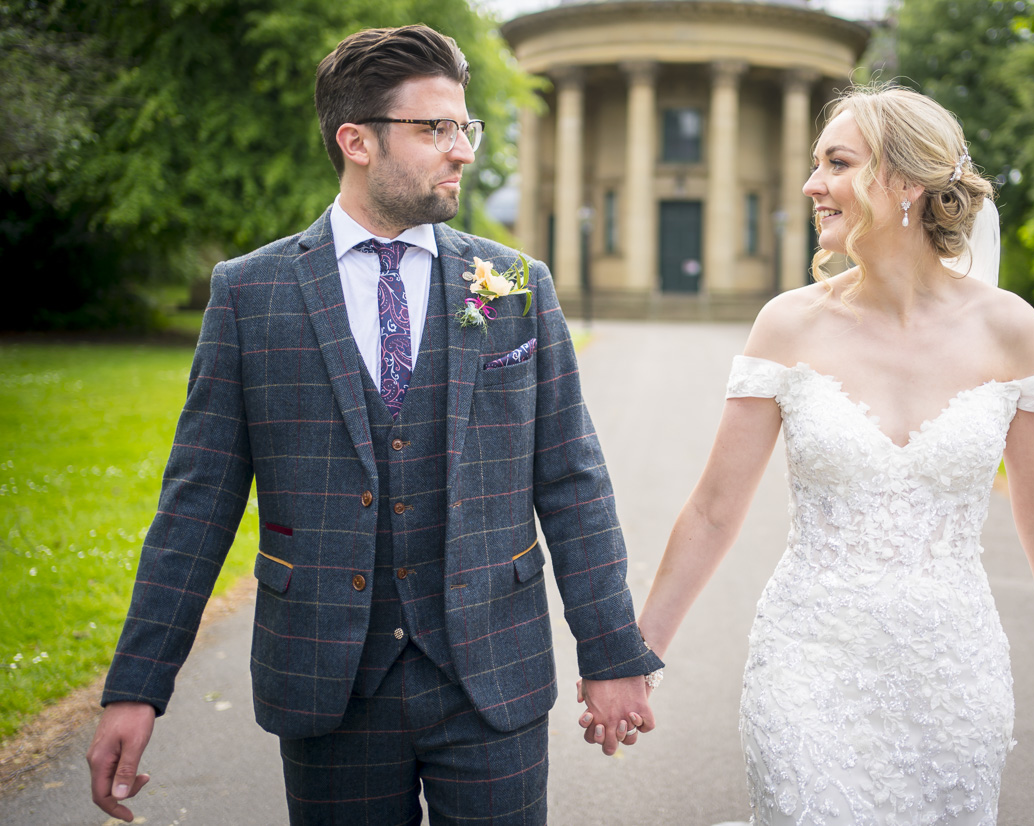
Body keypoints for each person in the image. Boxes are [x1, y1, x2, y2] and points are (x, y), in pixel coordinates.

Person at [86, 24, 661, 825]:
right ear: (356, 140)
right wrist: (136, 688)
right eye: (434, 128)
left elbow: (571, 480)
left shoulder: (515, 286)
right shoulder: (250, 294)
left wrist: (612, 654)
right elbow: (197, 504)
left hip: (492, 679)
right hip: (329, 684)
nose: (461, 150)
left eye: (466, 127)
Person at [623, 86, 1034, 824]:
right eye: (816, 165)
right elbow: (713, 511)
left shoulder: (1011, 330)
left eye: (836, 164)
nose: (811, 185)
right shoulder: (788, 325)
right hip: (808, 666)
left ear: (906, 183)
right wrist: (636, 657)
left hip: (953, 674)